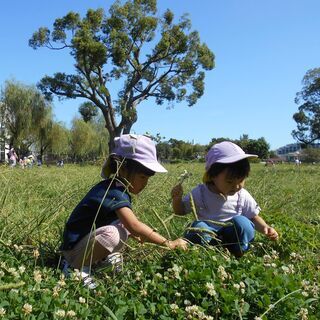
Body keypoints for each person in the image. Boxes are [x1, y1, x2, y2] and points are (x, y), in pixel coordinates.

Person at [60, 134, 188, 288]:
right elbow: (133, 224)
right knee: (114, 235)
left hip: (86, 243)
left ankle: (100, 259)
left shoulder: (119, 189)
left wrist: (138, 234)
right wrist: (168, 243)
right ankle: (76, 267)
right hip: (73, 250)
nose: (145, 183)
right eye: (142, 177)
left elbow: (131, 227)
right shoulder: (112, 190)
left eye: (147, 179)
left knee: (122, 229)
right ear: (122, 168)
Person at [171, 141, 278, 257]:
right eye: (230, 182)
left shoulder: (242, 195)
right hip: (208, 236)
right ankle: (202, 253)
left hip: (233, 237)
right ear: (212, 176)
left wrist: (266, 228)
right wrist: (177, 199)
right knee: (198, 227)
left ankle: (239, 252)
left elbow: (253, 217)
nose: (237, 186)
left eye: (241, 180)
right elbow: (180, 211)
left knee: (243, 223)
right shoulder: (201, 192)